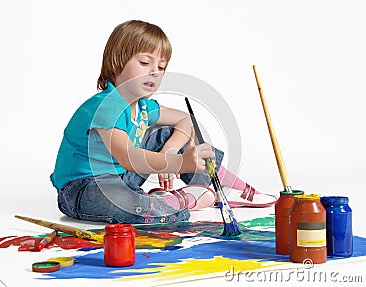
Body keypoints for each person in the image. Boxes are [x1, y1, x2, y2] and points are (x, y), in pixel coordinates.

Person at [50, 20, 275, 224]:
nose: (155, 72)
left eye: (161, 67)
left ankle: (221, 184)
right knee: (133, 207)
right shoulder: (106, 105)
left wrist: (171, 150)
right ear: (118, 61)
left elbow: (184, 119)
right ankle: (176, 201)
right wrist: (178, 163)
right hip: (83, 188)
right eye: (145, 62)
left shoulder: (144, 106)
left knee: (165, 133)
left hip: (122, 178)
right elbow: (129, 158)